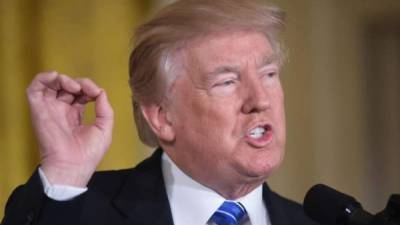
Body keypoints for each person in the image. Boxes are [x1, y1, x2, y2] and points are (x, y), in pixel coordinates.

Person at [1, 0, 319, 225]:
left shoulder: (319, 220)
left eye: (269, 75)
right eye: (227, 81)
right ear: (162, 117)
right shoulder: (81, 211)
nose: (259, 99)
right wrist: (65, 173)